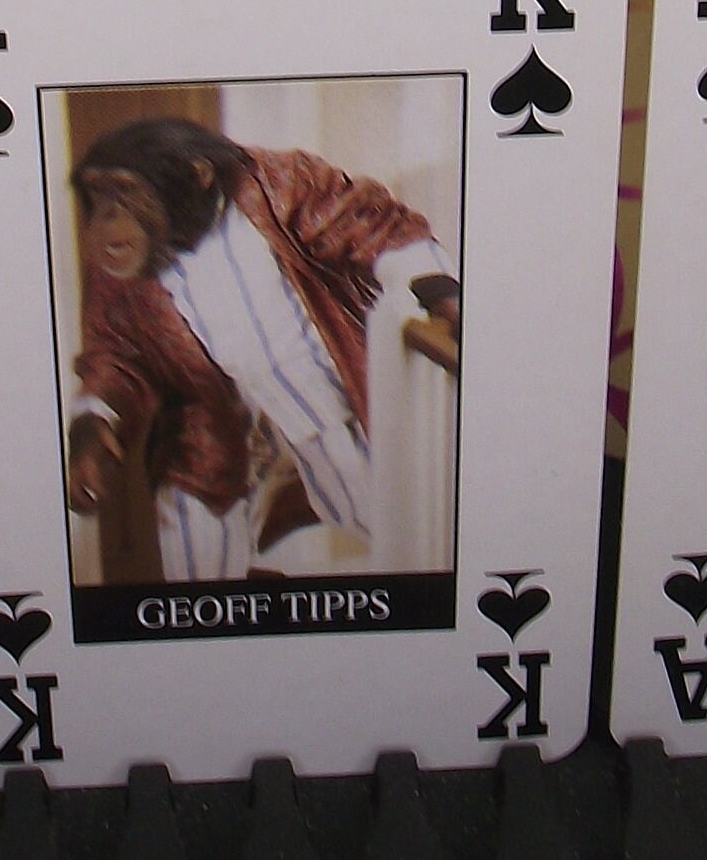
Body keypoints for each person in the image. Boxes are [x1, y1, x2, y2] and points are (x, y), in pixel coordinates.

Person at [62, 117, 461, 582]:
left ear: (196, 177)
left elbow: (373, 224)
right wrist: (92, 421)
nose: (105, 220)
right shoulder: (123, 258)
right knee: (193, 551)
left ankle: (299, 510)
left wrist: (437, 289)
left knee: (385, 519)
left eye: (124, 195)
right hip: (213, 420)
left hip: (320, 392)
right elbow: (115, 350)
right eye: (99, 198)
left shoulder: (277, 183)